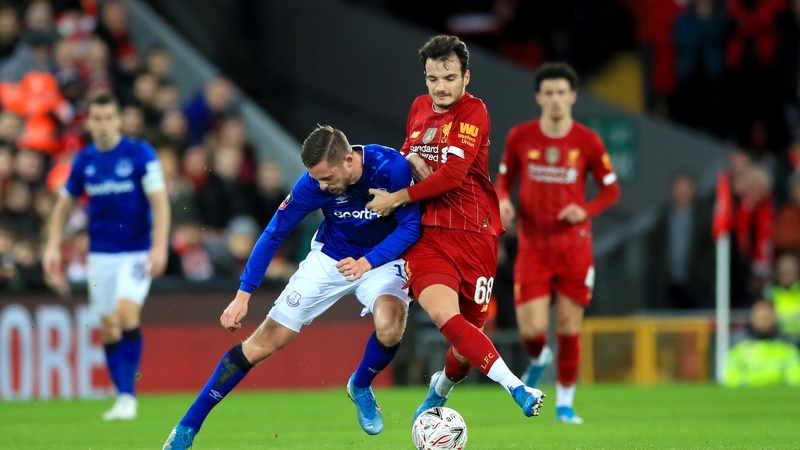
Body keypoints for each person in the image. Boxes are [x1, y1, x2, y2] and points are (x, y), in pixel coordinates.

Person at [163, 125, 421, 449]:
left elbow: (411, 227)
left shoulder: (390, 168)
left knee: (390, 326)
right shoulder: (312, 184)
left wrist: (368, 262)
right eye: (316, 179)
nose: (322, 186)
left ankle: (360, 385)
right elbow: (274, 233)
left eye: (327, 178)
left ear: (348, 160)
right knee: (262, 344)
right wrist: (243, 294)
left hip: (381, 260)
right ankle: (186, 428)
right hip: (330, 258)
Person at [366, 35, 545, 422]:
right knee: (444, 317)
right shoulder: (418, 107)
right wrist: (407, 157)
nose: (440, 87)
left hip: (476, 234)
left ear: (466, 77)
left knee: (465, 347)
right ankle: (517, 387)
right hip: (427, 234)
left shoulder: (474, 111)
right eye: (432, 78)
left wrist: (397, 198)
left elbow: (452, 175)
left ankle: (441, 388)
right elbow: (407, 152)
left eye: (449, 78)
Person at [494, 62, 621, 424]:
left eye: (561, 93)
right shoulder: (520, 137)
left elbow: (611, 190)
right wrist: (502, 200)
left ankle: (565, 403)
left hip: (573, 247)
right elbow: (503, 180)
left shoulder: (587, 141)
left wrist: (585, 210)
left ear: (572, 97)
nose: (555, 99)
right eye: (548, 92)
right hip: (533, 246)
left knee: (567, 328)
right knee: (531, 331)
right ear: (538, 96)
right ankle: (539, 358)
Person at [42, 94, 171, 420]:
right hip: (100, 256)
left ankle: (129, 398)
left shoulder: (140, 153)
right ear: (89, 122)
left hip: (136, 252)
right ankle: (123, 395)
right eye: (97, 118)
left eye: (108, 117)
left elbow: (160, 202)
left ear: (118, 120)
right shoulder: (84, 160)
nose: (103, 124)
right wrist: (53, 246)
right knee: (110, 326)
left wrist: (159, 247)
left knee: (126, 314)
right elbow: (62, 208)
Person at [723, 300, 800, 387]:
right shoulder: (739, 347)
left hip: (779, 393)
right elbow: (731, 378)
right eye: (760, 317)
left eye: (766, 317)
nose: (763, 321)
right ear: (752, 318)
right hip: (747, 393)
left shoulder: (787, 346)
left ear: (774, 318)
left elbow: (795, 378)